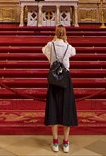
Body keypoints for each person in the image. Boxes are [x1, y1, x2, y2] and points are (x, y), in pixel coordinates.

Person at [42, 25, 78, 153]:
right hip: (65, 80)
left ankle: (55, 142)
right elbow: (74, 52)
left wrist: (53, 40)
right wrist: (66, 41)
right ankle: (66, 143)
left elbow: (43, 51)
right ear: (65, 34)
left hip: (54, 78)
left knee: (54, 108)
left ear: (55, 33)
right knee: (66, 108)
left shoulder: (50, 45)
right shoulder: (68, 47)